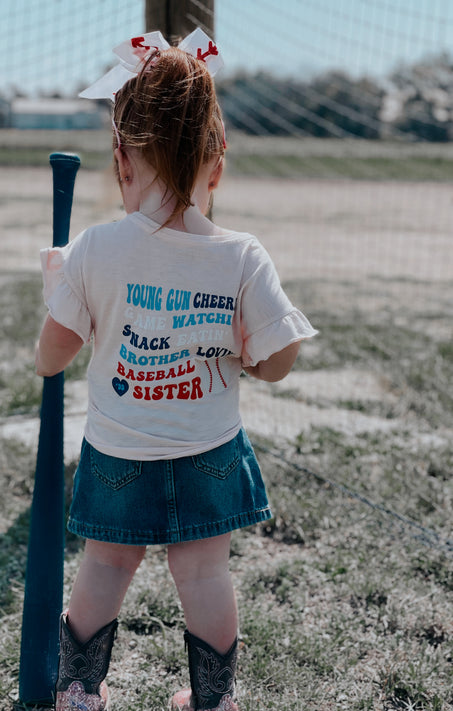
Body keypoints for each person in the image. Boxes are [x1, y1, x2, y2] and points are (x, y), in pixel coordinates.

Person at [35, 29, 317, 711]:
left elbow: (49, 357)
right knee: (203, 571)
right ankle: (212, 699)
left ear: (121, 161)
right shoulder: (241, 254)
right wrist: (249, 350)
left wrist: (58, 282)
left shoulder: (94, 249)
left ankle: (78, 691)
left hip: (117, 451)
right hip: (210, 453)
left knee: (104, 564)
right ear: (215, 166)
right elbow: (281, 359)